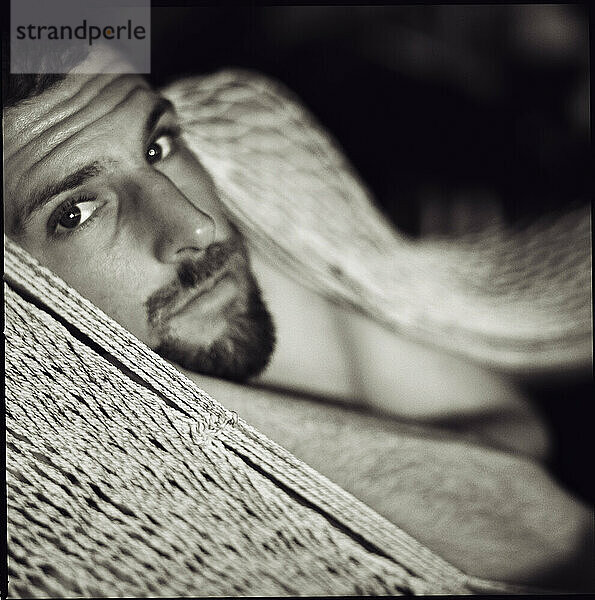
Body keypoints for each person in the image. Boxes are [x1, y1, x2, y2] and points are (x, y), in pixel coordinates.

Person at [3, 43, 592, 589]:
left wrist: (166, 397)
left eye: (157, 147)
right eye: (76, 212)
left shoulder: (252, 199)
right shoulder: (53, 529)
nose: (196, 226)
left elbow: (518, 459)